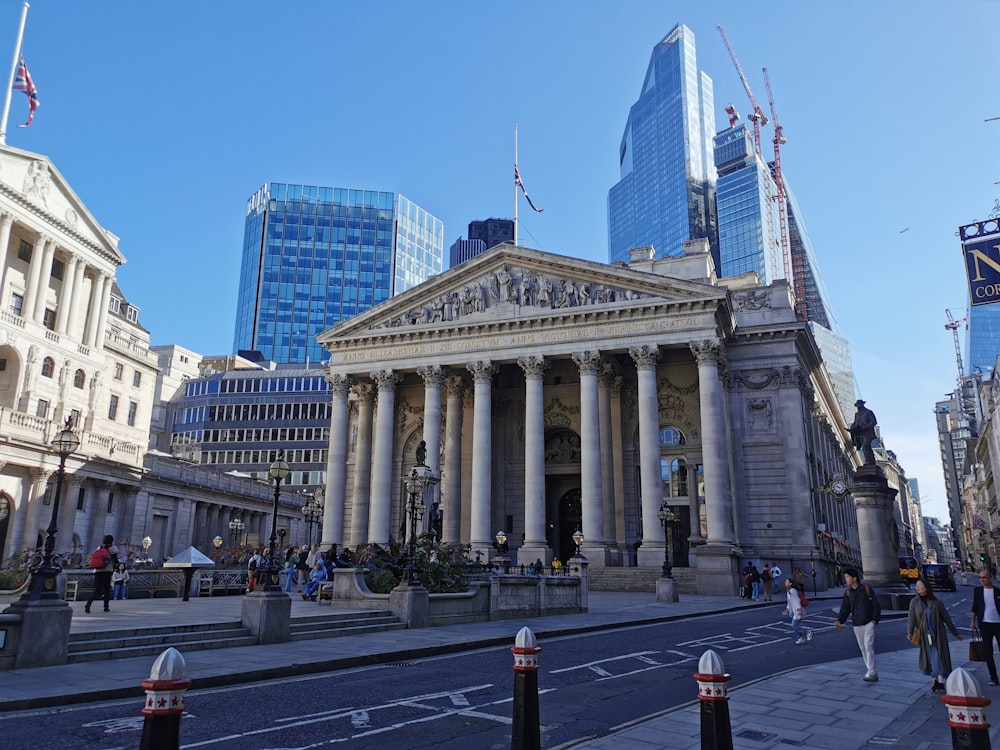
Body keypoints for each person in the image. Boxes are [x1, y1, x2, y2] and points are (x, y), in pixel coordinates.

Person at [908, 577, 961, 692]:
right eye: (917, 586)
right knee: (929, 658)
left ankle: (941, 681)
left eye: (920, 586)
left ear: (926, 587)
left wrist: (955, 632)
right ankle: (934, 681)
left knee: (939, 657)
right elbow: (911, 618)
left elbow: (946, 618)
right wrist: (910, 632)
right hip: (924, 636)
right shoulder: (914, 602)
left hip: (937, 635)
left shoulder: (936, 602)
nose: (917, 588)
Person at [835, 566, 882, 682]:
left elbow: (876, 604)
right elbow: (845, 609)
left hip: (869, 622)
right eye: (845, 577)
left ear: (854, 578)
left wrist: (874, 620)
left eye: (847, 577)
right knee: (863, 648)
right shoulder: (847, 592)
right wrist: (840, 620)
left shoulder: (866, 589)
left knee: (868, 646)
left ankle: (871, 671)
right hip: (857, 624)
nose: (845, 579)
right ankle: (872, 671)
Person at [970, 568, 1000, 686]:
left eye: (984, 577)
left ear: (990, 578)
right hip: (984, 624)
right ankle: (993, 677)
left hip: (998, 624)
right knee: (988, 652)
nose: (982, 580)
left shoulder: (998, 592)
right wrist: (972, 622)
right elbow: (975, 607)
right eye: (980, 577)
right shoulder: (977, 591)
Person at [85, 535, 119, 613]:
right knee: (107, 589)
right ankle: (106, 607)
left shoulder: (99, 548)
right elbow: (115, 560)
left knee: (97, 589)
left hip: (97, 570)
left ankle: (88, 603)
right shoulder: (113, 549)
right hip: (107, 571)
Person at [849, 399, 879, 466]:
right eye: (857, 406)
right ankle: (869, 462)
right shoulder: (857, 414)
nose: (858, 407)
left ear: (862, 405)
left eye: (859, 406)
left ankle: (870, 463)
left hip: (868, 433)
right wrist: (853, 428)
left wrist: (864, 427)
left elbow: (874, 422)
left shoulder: (868, 412)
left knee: (866, 446)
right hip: (860, 434)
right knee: (864, 448)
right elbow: (855, 423)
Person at [784, 577, 812, 644]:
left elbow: (797, 600)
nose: (785, 582)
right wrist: (787, 609)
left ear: (790, 583)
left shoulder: (793, 591)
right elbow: (790, 602)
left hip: (798, 610)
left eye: (786, 581)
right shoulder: (789, 591)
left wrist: (799, 609)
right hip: (794, 611)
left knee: (794, 625)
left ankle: (807, 632)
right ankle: (801, 638)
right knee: (795, 625)